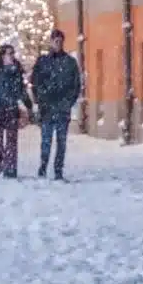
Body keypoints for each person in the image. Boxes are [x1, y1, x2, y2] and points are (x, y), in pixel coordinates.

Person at [29, 30, 82, 180]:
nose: (57, 44)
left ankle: (58, 170)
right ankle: (43, 167)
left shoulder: (70, 62)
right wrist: (40, 100)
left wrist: (68, 102)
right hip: (47, 108)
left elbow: (75, 85)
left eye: (60, 41)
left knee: (61, 142)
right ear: (51, 42)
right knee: (46, 141)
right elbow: (35, 83)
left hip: (62, 109)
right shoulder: (43, 61)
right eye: (55, 41)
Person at [0, 44, 31, 179]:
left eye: (12, 53)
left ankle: (10, 170)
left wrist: (28, 105)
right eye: (9, 53)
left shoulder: (16, 71)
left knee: (11, 142)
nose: (11, 56)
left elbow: (21, 90)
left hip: (11, 109)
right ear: (2, 55)